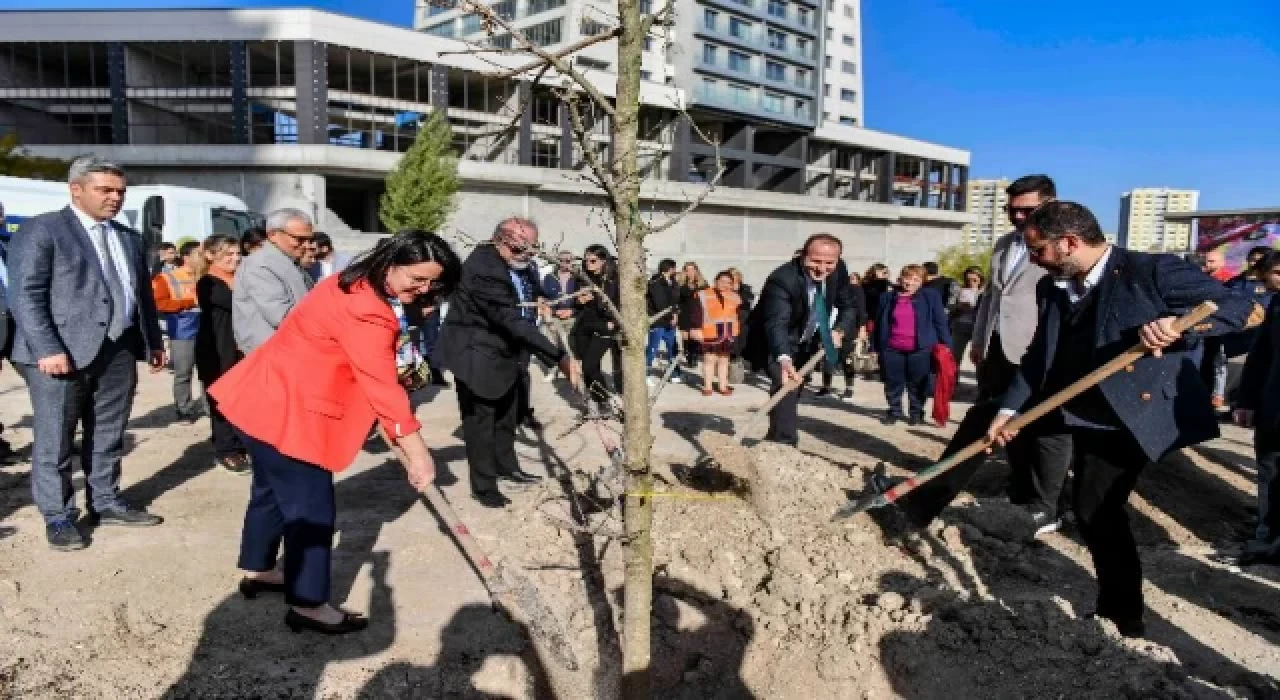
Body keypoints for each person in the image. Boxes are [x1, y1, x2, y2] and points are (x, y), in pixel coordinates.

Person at [980, 201, 1252, 638]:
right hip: (1080, 409)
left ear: (1069, 243)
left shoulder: (1151, 271)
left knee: (1096, 509)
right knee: (1086, 504)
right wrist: (1009, 411)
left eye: (1038, 250)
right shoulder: (1052, 287)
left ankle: (1122, 617)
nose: (1033, 259)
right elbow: (1038, 358)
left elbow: (1238, 307)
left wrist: (1179, 326)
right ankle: (1116, 607)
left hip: (1132, 412)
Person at [208, 230, 460, 635]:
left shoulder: (351, 280)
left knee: (270, 491)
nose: (424, 289)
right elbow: (383, 388)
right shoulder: (368, 311)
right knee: (311, 510)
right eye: (417, 279)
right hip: (293, 412)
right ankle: (309, 604)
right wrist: (418, 452)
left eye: (434, 283)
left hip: (262, 397)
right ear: (391, 264)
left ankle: (259, 569)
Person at [8, 155, 167, 550]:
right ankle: (59, 515)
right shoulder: (42, 229)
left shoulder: (128, 237)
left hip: (118, 349)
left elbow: (141, 294)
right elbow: (25, 295)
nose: (115, 198)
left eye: (120, 192)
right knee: (55, 437)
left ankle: (106, 500)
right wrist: (46, 347)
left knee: (110, 432)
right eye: (105, 190)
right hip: (59, 353)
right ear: (76, 189)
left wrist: (152, 342)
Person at [438, 217, 577, 508]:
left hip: (508, 353)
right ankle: (484, 485)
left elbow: (536, 292)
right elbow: (509, 319)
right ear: (500, 241)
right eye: (519, 249)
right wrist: (558, 356)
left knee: (507, 416)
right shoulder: (483, 269)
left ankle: (507, 467)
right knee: (480, 423)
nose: (526, 256)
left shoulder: (520, 264)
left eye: (531, 249)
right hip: (477, 353)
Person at [967, 174, 1071, 527]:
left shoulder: (1065, 247)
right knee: (1006, 421)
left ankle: (1046, 505)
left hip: (1041, 349)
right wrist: (980, 339)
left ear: (1050, 204)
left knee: (1045, 428)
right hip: (999, 347)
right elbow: (992, 297)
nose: (1016, 217)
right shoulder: (1003, 244)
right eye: (1010, 210)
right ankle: (1020, 487)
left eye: (1025, 210)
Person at [744, 234, 858, 446]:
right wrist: (784, 357)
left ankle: (775, 435)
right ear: (802, 255)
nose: (822, 269)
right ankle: (785, 444)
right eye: (815, 261)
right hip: (775, 339)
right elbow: (777, 322)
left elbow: (849, 305)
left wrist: (839, 330)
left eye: (829, 263)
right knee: (786, 382)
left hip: (808, 337)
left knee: (792, 390)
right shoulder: (782, 279)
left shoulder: (839, 270)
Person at [1234, 251, 1280, 567]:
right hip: (1274, 407)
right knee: (1272, 473)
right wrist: (1247, 399)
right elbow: (1261, 354)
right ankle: (1268, 538)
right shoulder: (1276, 305)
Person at [195, 234, 250, 473]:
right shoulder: (208, 282)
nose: (235, 259)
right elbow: (236, 303)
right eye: (228, 254)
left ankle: (240, 443)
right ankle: (227, 450)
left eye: (237, 254)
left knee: (242, 401)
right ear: (211, 255)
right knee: (221, 402)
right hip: (217, 350)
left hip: (239, 349)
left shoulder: (240, 279)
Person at [872, 264, 951, 426]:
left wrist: (947, 345)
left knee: (919, 383)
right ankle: (894, 411)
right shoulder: (886, 297)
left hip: (921, 349)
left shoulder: (931, 296)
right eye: (908, 278)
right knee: (893, 382)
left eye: (916, 279)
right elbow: (878, 324)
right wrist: (875, 348)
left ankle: (916, 413)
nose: (910, 282)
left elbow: (940, 322)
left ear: (922, 282)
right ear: (901, 278)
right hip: (892, 348)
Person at [232, 209, 315, 355]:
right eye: (299, 239)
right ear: (273, 235)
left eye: (309, 239)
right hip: (272, 354)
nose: (307, 245)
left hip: (290, 348)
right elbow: (282, 316)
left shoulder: (289, 261)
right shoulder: (260, 265)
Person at [152, 240, 205, 422]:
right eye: (199, 254)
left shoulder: (205, 276)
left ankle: (209, 406)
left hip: (205, 328)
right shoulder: (167, 278)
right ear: (186, 257)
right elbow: (161, 304)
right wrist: (189, 302)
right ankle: (184, 409)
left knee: (207, 371)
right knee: (183, 372)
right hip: (183, 329)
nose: (203, 257)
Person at [572, 244, 622, 415]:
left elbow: (621, 305)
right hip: (584, 326)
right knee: (589, 368)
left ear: (603, 261)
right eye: (586, 260)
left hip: (604, 326)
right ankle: (593, 403)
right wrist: (579, 301)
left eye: (592, 260)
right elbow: (575, 303)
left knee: (589, 364)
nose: (588, 264)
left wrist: (614, 322)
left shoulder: (614, 280)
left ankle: (605, 400)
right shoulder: (582, 278)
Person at [689, 270, 743, 396]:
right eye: (722, 281)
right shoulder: (702, 294)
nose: (725, 284)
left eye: (728, 282)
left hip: (728, 333)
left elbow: (738, 315)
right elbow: (696, 314)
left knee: (724, 360)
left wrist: (738, 332)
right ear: (716, 281)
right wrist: (695, 329)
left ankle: (723, 386)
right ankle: (708, 387)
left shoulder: (735, 297)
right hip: (710, 332)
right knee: (709, 360)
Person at [819, 270, 868, 401]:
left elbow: (861, 310)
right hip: (828, 328)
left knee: (847, 359)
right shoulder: (822, 288)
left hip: (847, 329)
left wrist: (862, 328)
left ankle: (849, 388)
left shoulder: (854, 289)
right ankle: (826, 387)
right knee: (828, 359)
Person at [540, 250, 580, 383]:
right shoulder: (549, 277)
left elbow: (582, 300)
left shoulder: (578, 277)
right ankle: (553, 370)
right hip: (555, 317)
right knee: (554, 345)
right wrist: (550, 313)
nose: (564, 263)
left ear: (572, 261)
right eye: (561, 260)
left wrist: (572, 311)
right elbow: (544, 298)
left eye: (568, 260)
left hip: (572, 316)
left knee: (571, 346)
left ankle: (574, 372)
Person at [645, 258, 680, 385]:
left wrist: (675, 315)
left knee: (672, 348)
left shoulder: (674, 282)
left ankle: (674, 372)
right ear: (670, 268)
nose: (676, 270)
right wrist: (670, 315)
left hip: (670, 321)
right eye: (674, 268)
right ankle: (646, 373)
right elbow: (659, 302)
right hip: (658, 320)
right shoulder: (655, 282)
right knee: (652, 348)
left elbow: (675, 301)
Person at [676, 262, 708, 381]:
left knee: (695, 335)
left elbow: (706, 297)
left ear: (696, 270)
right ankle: (688, 353)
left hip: (697, 312)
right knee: (686, 336)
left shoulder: (702, 283)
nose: (690, 272)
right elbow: (679, 298)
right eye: (687, 270)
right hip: (684, 313)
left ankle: (693, 356)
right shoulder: (681, 284)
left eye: (692, 269)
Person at [950, 266, 985, 361]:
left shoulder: (985, 292)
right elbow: (951, 306)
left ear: (980, 279)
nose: (971, 283)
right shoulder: (960, 290)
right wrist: (958, 306)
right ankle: (953, 375)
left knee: (980, 358)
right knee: (954, 357)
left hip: (979, 328)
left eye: (974, 280)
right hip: (960, 326)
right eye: (968, 280)